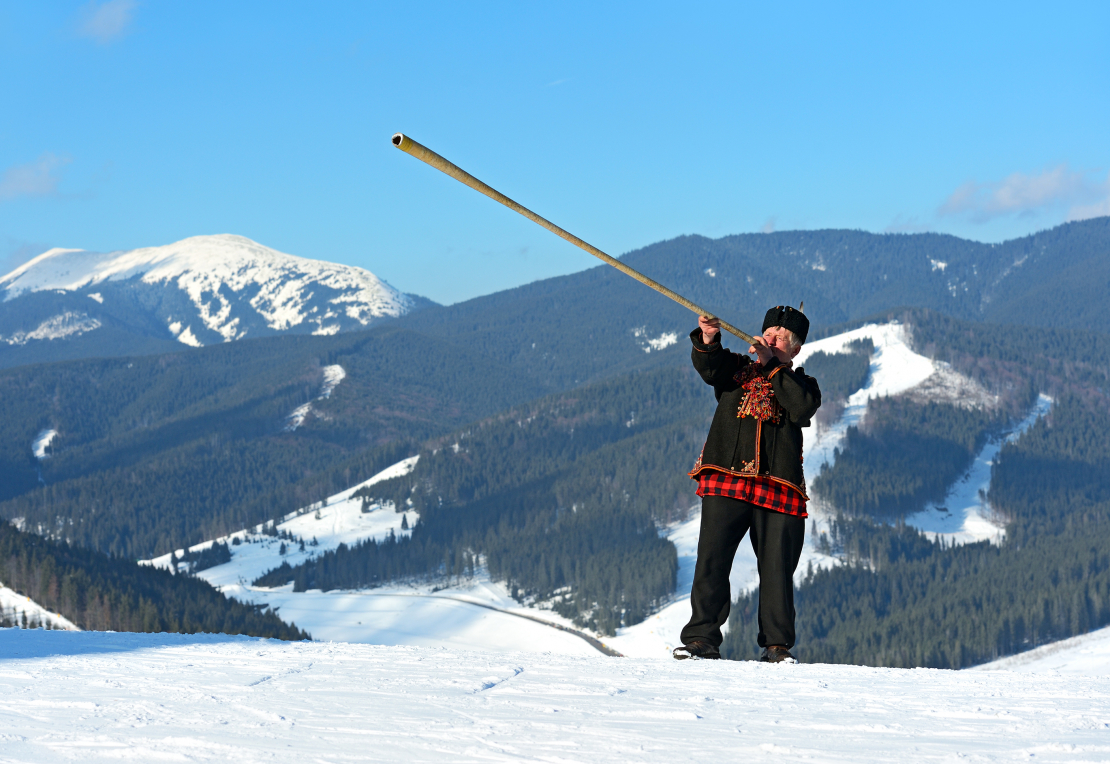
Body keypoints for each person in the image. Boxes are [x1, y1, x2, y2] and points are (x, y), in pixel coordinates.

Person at [673, 305, 820, 663]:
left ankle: (777, 646)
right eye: (767, 334)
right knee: (712, 560)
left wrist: (771, 366)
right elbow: (711, 368)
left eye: (780, 338)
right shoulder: (737, 369)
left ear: (795, 349)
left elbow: (800, 407)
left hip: (779, 488)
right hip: (726, 479)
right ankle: (701, 640)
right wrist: (709, 337)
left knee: (777, 570)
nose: (770, 340)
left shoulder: (803, 384)